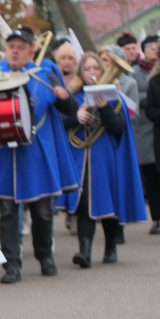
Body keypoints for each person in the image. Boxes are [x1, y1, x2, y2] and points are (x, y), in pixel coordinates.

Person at [0, 26, 79, 284]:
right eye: (11, 47)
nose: (15, 51)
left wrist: (64, 97)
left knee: (42, 211)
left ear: (32, 50)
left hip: (37, 153)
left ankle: (45, 257)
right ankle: (12, 266)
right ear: (5, 49)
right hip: (5, 153)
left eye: (21, 47)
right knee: (7, 211)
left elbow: (70, 108)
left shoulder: (46, 73)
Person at [58, 52, 145, 266]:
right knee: (83, 203)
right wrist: (75, 117)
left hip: (106, 158)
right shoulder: (74, 97)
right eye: (87, 69)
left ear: (102, 71)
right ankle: (85, 252)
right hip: (80, 158)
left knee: (109, 202)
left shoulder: (114, 99)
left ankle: (110, 247)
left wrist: (104, 107)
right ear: (81, 73)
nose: (91, 73)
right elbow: (60, 125)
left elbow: (119, 128)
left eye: (95, 69)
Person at [131, 35, 160, 234]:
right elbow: (149, 108)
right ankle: (157, 217)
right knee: (152, 177)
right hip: (148, 132)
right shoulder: (152, 80)